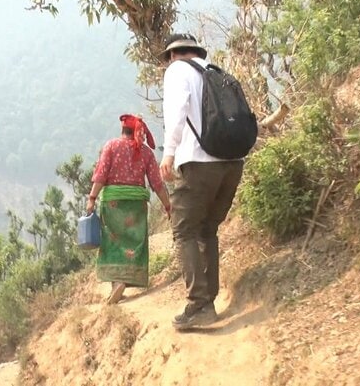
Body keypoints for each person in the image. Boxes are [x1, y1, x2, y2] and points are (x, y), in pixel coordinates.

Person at [158, 33, 245, 329]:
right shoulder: (214, 71)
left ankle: (198, 304)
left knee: (183, 231)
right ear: (196, 51)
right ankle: (208, 301)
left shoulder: (177, 71)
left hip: (199, 163)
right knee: (207, 229)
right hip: (232, 164)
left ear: (172, 55)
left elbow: (177, 112)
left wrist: (168, 154)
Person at [86, 114, 171, 304]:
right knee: (133, 242)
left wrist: (92, 198)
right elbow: (157, 184)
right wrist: (168, 206)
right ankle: (124, 282)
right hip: (136, 205)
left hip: (113, 204)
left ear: (122, 130)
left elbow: (101, 175)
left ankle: (117, 282)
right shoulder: (146, 153)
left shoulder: (111, 146)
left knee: (112, 241)